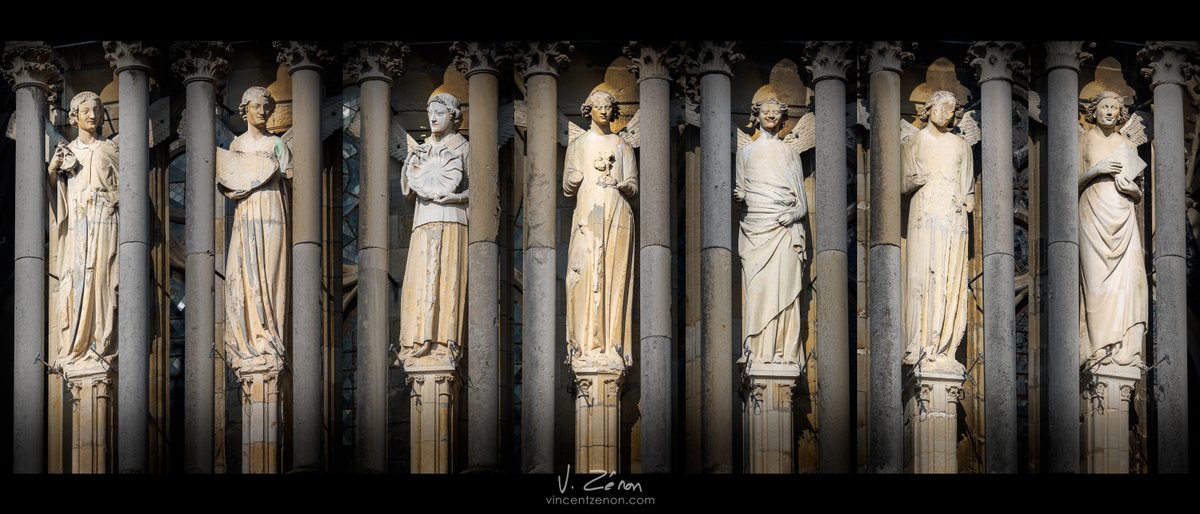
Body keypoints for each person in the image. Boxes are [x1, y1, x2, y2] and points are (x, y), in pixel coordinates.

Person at [563, 89, 638, 370]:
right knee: (584, 274)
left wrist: (621, 184)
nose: (604, 111)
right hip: (587, 216)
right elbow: (567, 185)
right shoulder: (578, 144)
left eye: (608, 107)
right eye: (598, 107)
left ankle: (610, 344)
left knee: (613, 276)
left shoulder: (623, 145)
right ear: (589, 110)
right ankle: (586, 343)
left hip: (617, 214)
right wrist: (575, 178)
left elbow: (633, 184)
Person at [218, 86, 292, 365]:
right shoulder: (236, 146)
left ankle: (269, 335)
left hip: (272, 209)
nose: (262, 112)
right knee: (246, 271)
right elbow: (230, 180)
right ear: (245, 110)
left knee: (270, 271)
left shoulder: (277, 144)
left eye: (266, 108)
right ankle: (251, 335)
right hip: (247, 214)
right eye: (256, 106)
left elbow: (289, 174)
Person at [901, 90, 974, 372]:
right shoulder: (914, 141)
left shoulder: (961, 146)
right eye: (943, 107)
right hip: (924, 215)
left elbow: (968, 190)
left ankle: (943, 347)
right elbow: (903, 183)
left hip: (953, 219)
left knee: (948, 279)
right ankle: (920, 344)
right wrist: (916, 179)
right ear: (928, 109)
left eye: (952, 109)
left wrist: (966, 203)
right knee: (924, 276)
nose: (947, 113)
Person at [48, 91, 119, 372]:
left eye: (97, 110)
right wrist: (52, 171)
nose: (93, 115)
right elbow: (57, 198)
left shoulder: (111, 149)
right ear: (74, 117)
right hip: (78, 224)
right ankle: (78, 344)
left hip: (105, 222)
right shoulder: (68, 151)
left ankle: (101, 342)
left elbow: (126, 188)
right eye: (86, 111)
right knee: (78, 280)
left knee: (102, 279)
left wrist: (113, 199)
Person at [397, 92, 469, 364]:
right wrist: (408, 162)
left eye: (439, 113)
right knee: (420, 280)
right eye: (430, 115)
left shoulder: (463, 147)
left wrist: (456, 197)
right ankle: (418, 339)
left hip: (452, 219)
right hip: (424, 221)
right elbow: (408, 190)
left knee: (445, 279)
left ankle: (443, 342)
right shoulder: (423, 148)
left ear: (453, 116)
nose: (433, 119)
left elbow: (481, 192)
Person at [734, 96, 806, 367]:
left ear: (783, 118)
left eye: (776, 113)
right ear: (757, 116)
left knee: (785, 289)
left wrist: (790, 215)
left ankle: (783, 353)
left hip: (785, 229)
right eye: (766, 112)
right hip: (756, 228)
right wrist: (739, 197)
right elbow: (740, 190)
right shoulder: (745, 153)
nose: (772, 116)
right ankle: (757, 350)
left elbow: (802, 203)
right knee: (759, 290)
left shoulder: (790, 153)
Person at [1078, 91, 1147, 368]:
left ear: (1120, 114)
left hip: (1122, 215)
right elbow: (1067, 182)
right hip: (1093, 215)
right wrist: (1097, 170)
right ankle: (1098, 349)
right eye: (1104, 107)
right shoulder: (1082, 140)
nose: (1109, 112)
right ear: (1094, 111)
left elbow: (1137, 190)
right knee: (1096, 284)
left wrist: (1134, 190)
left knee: (1130, 281)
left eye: (1115, 109)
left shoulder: (1128, 145)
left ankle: (1124, 351)